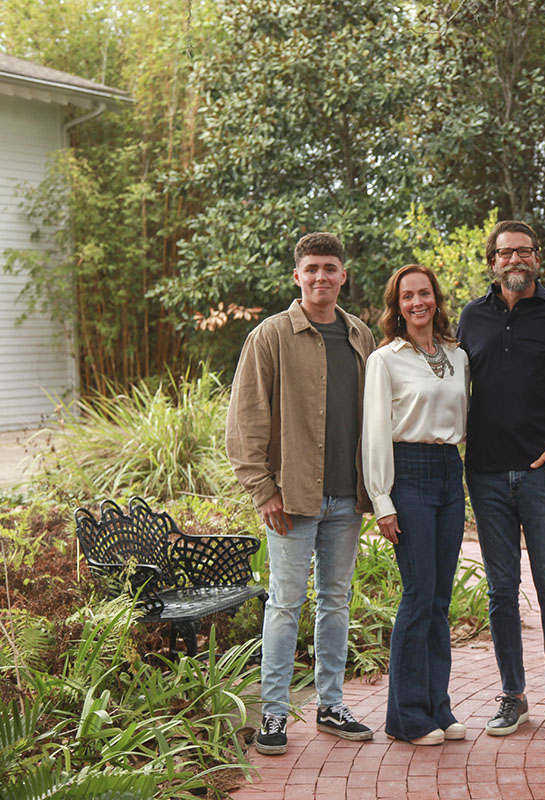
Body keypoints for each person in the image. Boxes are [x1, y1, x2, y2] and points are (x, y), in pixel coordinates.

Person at [226, 232, 376, 755]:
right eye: (311, 268)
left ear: (342, 275)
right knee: (286, 604)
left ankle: (331, 704)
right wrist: (262, 490)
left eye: (330, 268)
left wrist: (376, 489)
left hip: (346, 498)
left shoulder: (360, 335)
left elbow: (377, 418)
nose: (320, 277)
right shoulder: (271, 336)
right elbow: (244, 421)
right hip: (290, 499)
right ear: (297, 276)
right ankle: (273, 714)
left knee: (336, 602)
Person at [456, 220, 545, 743]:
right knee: (500, 590)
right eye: (505, 253)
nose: (515, 260)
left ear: (539, 258)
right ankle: (512, 696)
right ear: (491, 261)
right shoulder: (471, 317)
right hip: (485, 474)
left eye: (524, 252)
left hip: (543, 474)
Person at [361, 264, 470, 746]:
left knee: (440, 601)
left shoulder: (457, 355)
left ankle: (438, 708)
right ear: (397, 305)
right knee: (418, 594)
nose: (417, 302)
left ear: (436, 299)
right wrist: (383, 500)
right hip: (409, 476)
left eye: (424, 293)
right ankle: (407, 717)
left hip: (450, 472)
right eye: (407, 296)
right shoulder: (385, 359)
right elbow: (375, 434)